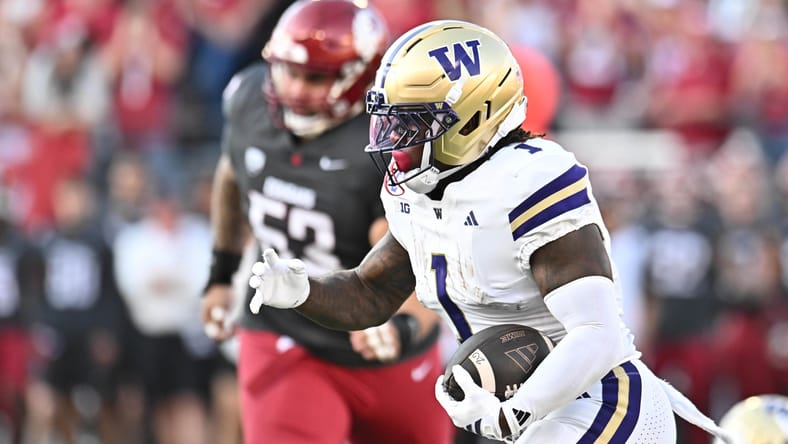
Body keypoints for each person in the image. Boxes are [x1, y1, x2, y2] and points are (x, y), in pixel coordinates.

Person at [247, 19, 732, 443]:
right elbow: (371, 292)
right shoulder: (419, 193)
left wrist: (513, 414)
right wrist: (301, 290)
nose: (395, 143)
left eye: (412, 124)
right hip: (528, 417)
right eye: (390, 122)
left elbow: (597, 334)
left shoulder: (527, 180)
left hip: (603, 405)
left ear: (472, 119)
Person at [199, 1, 451, 443]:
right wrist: (221, 273)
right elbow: (232, 175)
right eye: (288, 71)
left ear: (360, 75)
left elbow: (421, 271)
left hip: (382, 345)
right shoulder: (249, 99)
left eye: (315, 77)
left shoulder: (390, 143)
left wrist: (400, 329)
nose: (296, 89)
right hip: (286, 335)